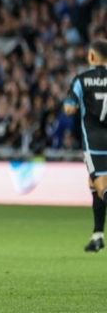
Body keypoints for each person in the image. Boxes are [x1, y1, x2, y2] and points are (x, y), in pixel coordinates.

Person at [64, 39, 107, 253]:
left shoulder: (82, 80)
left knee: (102, 186)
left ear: (92, 57)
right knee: (93, 184)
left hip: (94, 141)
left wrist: (76, 104)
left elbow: (69, 109)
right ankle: (97, 235)